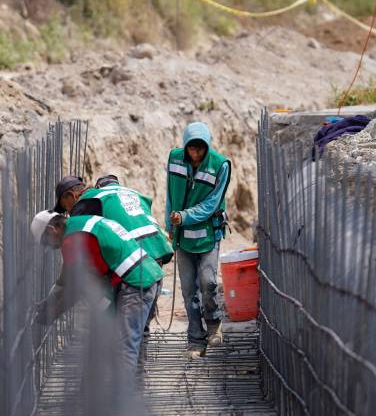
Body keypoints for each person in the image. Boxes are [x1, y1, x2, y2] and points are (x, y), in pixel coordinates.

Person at [31, 210, 162, 369]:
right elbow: (67, 277)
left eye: (46, 242)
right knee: (131, 344)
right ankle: (135, 388)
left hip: (136, 284)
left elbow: (76, 288)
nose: (50, 248)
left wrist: (53, 314)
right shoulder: (80, 223)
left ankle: (126, 393)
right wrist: (49, 301)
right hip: (149, 275)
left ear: (52, 230)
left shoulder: (71, 241)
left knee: (124, 350)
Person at [53, 174, 173, 333]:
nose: (68, 213)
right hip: (156, 255)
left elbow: (76, 259)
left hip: (134, 261)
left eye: (66, 207)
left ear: (71, 195)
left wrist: (57, 294)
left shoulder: (85, 204)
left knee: (123, 327)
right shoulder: (127, 193)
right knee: (139, 327)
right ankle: (137, 351)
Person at [165, 121, 231, 358]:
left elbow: (212, 204)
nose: (196, 154)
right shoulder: (175, 159)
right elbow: (170, 193)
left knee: (208, 282)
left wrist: (184, 216)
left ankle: (213, 323)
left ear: (206, 146)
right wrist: (169, 223)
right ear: (185, 147)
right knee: (188, 290)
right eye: (192, 149)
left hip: (208, 234)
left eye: (200, 149)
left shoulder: (220, 165)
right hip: (183, 237)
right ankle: (195, 338)